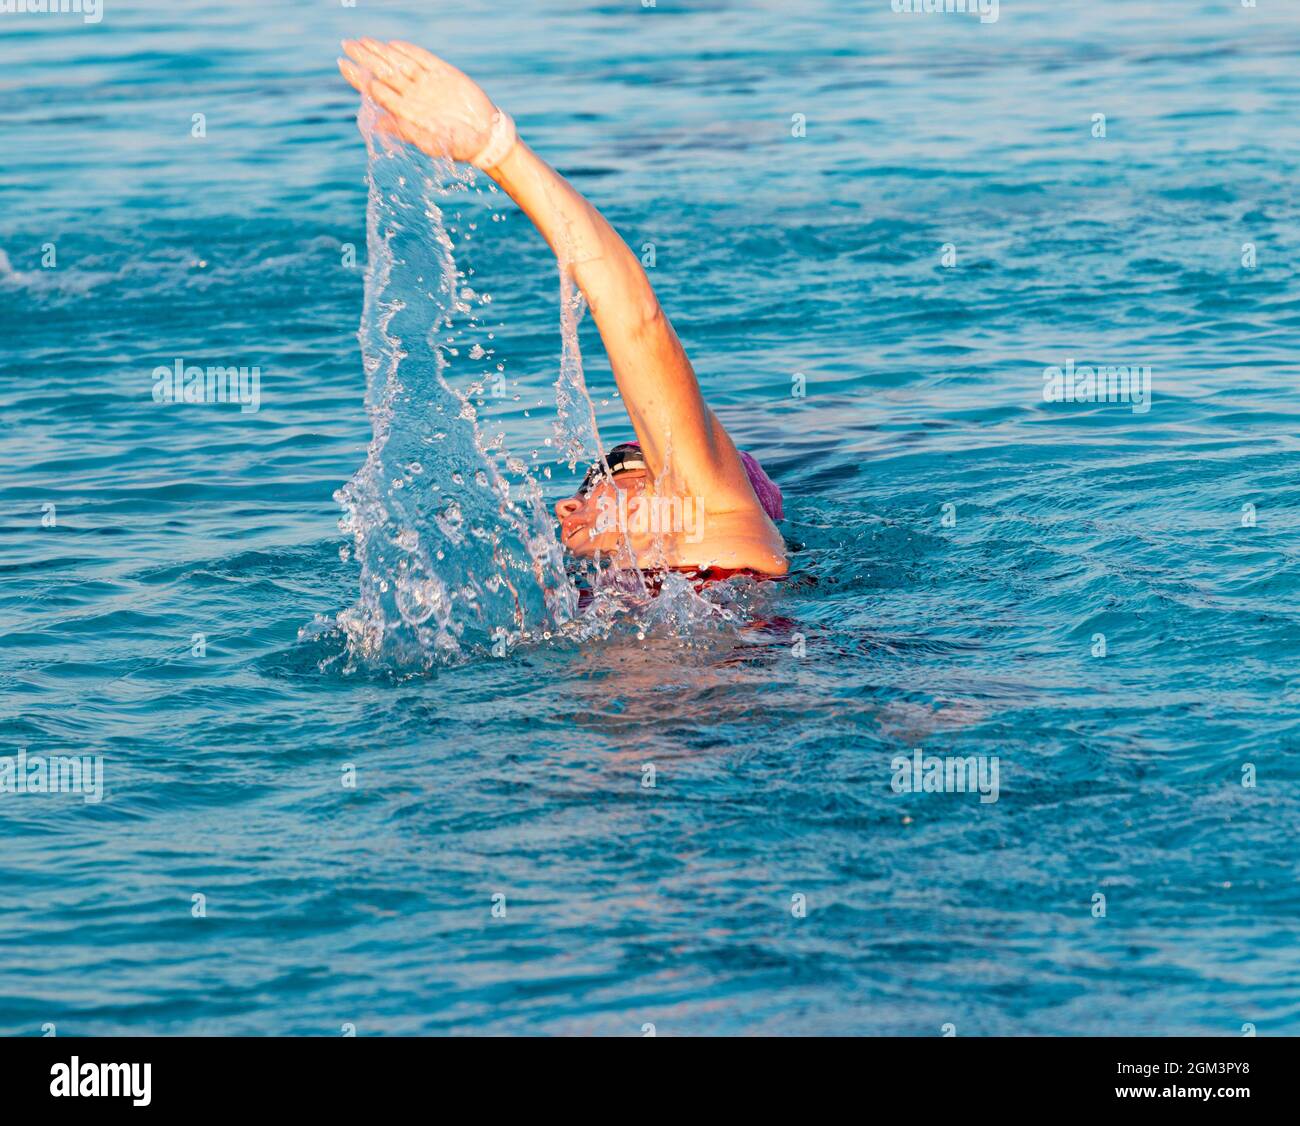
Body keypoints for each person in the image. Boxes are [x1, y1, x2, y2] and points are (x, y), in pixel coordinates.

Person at [339, 39, 788, 579]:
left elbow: (636, 319)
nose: (568, 505)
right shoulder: (597, 599)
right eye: (591, 481)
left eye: (618, 470)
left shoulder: (715, 521)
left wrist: (496, 150)